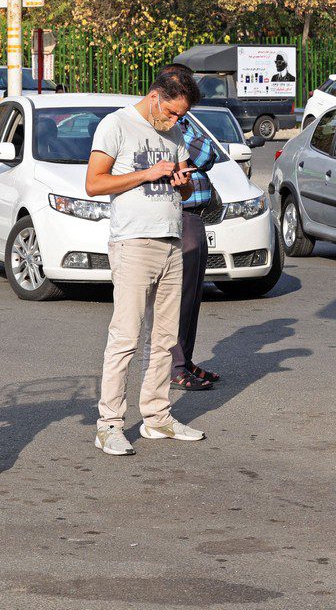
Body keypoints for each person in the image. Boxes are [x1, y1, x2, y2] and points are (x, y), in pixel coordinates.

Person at [85, 64, 203, 456]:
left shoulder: (175, 132)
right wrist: (146, 173)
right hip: (133, 243)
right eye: (171, 112)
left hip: (171, 240)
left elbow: (183, 193)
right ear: (155, 96)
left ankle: (156, 418)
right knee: (126, 337)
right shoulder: (116, 126)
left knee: (166, 339)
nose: (175, 120)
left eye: (181, 116)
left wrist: (183, 184)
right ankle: (110, 424)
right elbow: (95, 183)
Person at [170, 115, 222, 391]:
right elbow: (204, 154)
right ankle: (174, 366)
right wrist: (190, 138)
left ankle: (185, 360)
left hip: (197, 215)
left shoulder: (186, 123)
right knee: (180, 295)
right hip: (180, 215)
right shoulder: (170, 125)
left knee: (193, 296)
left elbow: (210, 156)